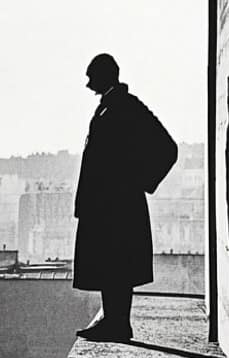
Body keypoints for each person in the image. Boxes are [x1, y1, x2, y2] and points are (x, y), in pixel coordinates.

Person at [73, 53, 177, 341]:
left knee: (116, 265)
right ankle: (113, 321)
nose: (88, 84)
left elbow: (168, 148)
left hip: (117, 206)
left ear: (105, 76)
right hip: (106, 205)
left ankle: (118, 324)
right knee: (111, 265)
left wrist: (139, 182)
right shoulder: (111, 106)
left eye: (91, 77)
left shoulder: (126, 106)